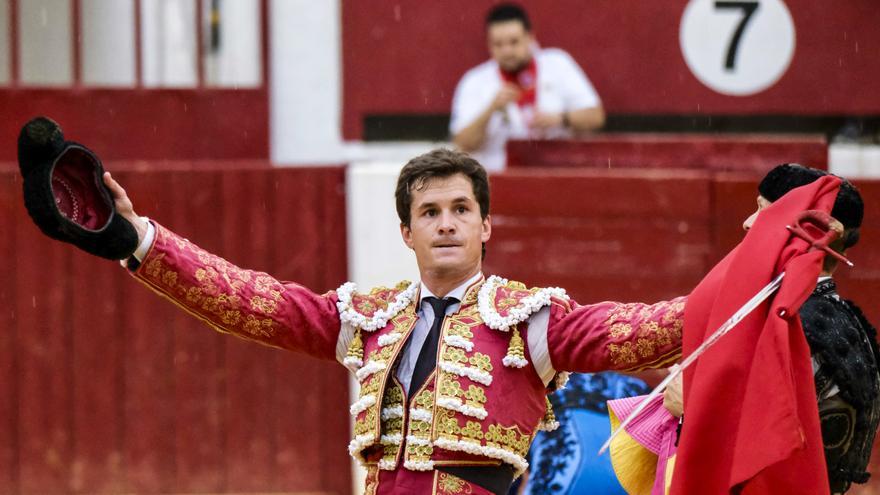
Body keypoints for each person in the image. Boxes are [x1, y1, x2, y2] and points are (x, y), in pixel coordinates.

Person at [96, 148, 686, 495]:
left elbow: (632, 329)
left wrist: (757, 275)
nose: (446, 224)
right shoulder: (369, 317)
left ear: (486, 227)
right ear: (408, 233)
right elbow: (256, 305)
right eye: (430, 212)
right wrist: (142, 243)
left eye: (461, 209)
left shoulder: (529, 321)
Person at [618, 165, 880, 495]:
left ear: (803, 230)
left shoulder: (788, 321)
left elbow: (771, 441)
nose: (748, 222)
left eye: (762, 210)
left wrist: (695, 408)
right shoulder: (851, 324)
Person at [450, 3, 605, 171]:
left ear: (530, 37)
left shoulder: (558, 64)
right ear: (489, 45)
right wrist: (491, 109)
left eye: (514, 42)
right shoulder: (474, 81)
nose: (507, 51)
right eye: (498, 44)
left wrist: (560, 119)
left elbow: (596, 117)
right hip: (498, 179)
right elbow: (462, 143)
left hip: (557, 173)